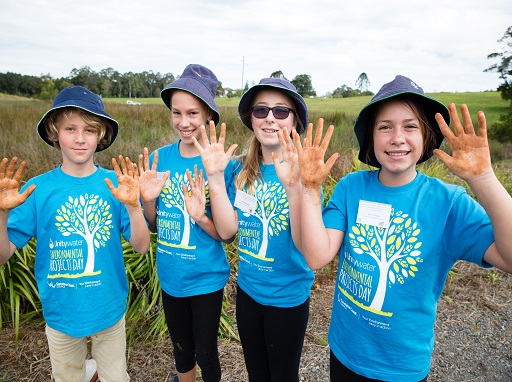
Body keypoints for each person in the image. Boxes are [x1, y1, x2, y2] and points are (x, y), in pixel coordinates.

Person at [289, 75, 512, 381]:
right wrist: (309, 188)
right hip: (344, 350)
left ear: (426, 136)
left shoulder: (448, 203)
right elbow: (315, 257)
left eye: (410, 126)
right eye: (385, 127)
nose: (397, 138)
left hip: (400, 366)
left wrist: (483, 178)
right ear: (371, 137)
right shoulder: (350, 188)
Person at [0, 85, 150, 382]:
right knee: (68, 376)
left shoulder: (115, 185)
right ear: (55, 133)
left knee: (116, 377)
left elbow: (142, 246)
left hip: (108, 308)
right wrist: (2, 214)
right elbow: (3, 255)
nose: (80, 138)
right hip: (61, 313)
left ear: (101, 136)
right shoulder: (37, 189)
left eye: (90, 130)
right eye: (70, 129)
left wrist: (134, 207)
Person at [192, 78, 314, 381]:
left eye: (281, 111)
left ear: (295, 121)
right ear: (251, 119)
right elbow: (228, 231)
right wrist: (216, 178)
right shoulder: (239, 169)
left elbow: (307, 247)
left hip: (287, 298)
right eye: (261, 110)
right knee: (256, 374)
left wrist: (297, 188)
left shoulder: (304, 172)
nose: (270, 117)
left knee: (283, 377)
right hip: (248, 292)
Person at [138, 64, 234, 382]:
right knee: (180, 346)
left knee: (205, 348)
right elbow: (152, 225)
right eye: (176, 113)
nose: (183, 122)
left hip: (205, 277)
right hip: (171, 274)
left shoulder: (220, 164)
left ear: (208, 115)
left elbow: (225, 234)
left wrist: (200, 217)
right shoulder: (160, 158)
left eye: (192, 113)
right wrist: (148, 200)